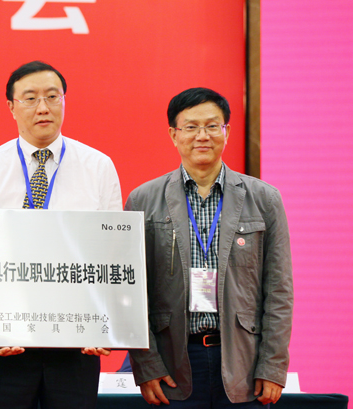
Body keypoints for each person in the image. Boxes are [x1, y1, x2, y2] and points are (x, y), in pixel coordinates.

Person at [0, 60, 122, 409]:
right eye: (30, 98)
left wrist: (104, 325)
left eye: (52, 96)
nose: (43, 107)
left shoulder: (98, 166)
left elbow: (112, 254)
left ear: (64, 101)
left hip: (76, 341)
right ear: (11, 107)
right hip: (6, 341)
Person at [125, 87, 293, 408]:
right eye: (191, 127)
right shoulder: (143, 200)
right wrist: (146, 365)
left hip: (244, 364)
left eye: (212, 126)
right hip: (173, 364)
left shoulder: (264, 199)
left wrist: (273, 366)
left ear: (226, 132)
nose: (202, 136)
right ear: (174, 135)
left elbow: (279, 290)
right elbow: (132, 292)